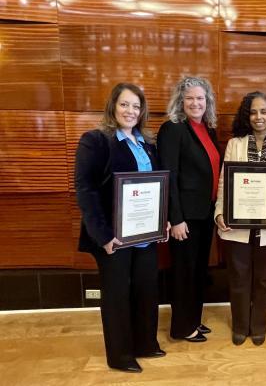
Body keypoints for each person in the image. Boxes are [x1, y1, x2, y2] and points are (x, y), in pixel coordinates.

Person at [75, 82, 168, 373]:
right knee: (117, 295)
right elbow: (86, 190)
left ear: (142, 112)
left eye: (136, 106)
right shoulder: (96, 141)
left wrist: (161, 220)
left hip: (145, 235)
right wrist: (102, 235)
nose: (130, 111)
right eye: (125, 104)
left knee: (145, 288)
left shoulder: (147, 144)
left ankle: (145, 343)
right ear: (113, 106)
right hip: (113, 237)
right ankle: (120, 355)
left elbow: (156, 188)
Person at [215, 91, 266, 346]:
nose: (258, 117)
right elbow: (224, 183)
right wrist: (220, 212)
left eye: (263, 111)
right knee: (239, 277)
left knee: (264, 278)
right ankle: (240, 325)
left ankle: (258, 324)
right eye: (253, 112)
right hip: (237, 225)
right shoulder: (235, 144)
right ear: (246, 115)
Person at [157, 76, 221, 342]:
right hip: (185, 217)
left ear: (208, 102)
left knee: (197, 272)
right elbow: (168, 175)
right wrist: (176, 218)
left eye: (200, 98)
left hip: (204, 214)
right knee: (184, 273)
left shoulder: (207, 129)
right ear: (180, 101)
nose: (196, 103)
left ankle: (193, 319)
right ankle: (182, 327)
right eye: (190, 98)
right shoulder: (173, 129)